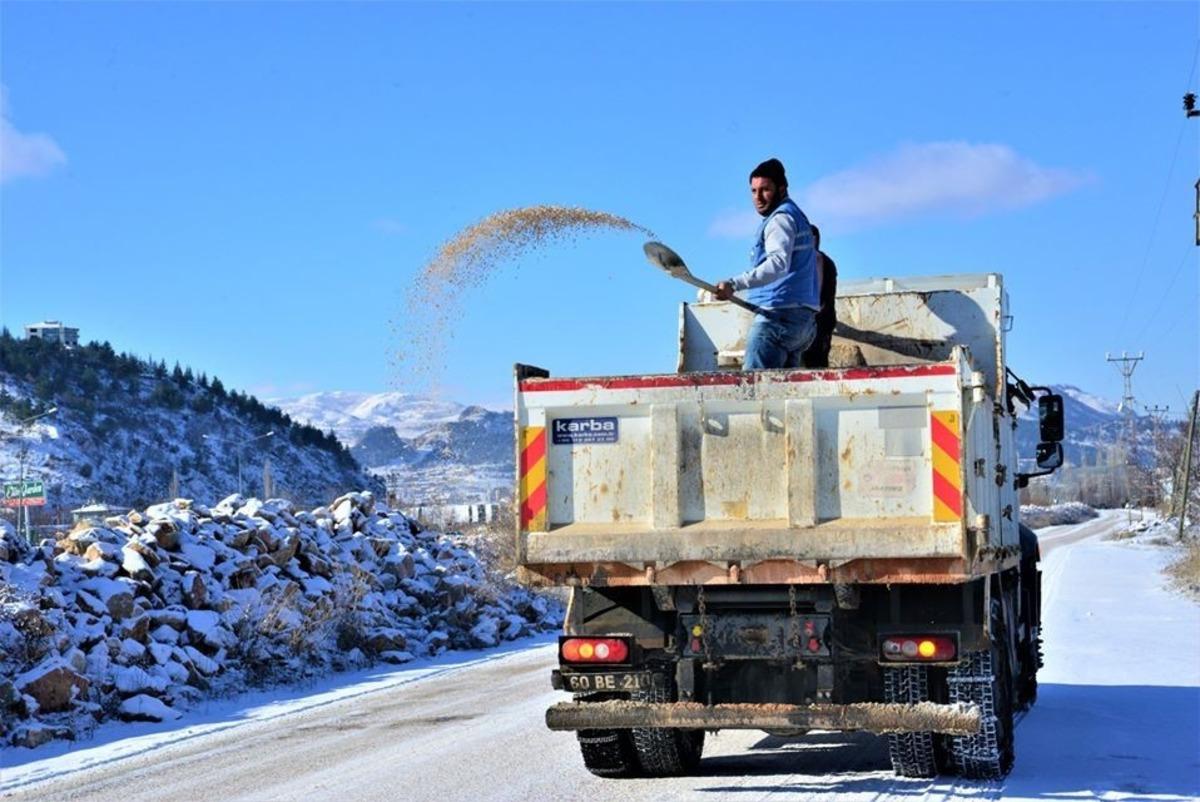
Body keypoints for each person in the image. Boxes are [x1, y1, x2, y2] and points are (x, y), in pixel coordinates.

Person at [714, 158, 820, 369]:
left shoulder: (780, 219)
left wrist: (734, 284)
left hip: (777, 319)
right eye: (753, 191)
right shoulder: (797, 216)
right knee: (784, 388)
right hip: (802, 323)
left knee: (755, 386)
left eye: (765, 190)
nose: (758, 197)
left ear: (782, 189)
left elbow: (778, 264)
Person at [801, 224, 838, 368]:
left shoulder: (819, 261)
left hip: (818, 318)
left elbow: (824, 293)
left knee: (813, 360)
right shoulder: (826, 261)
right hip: (819, 317)